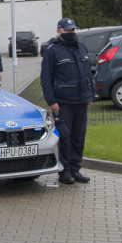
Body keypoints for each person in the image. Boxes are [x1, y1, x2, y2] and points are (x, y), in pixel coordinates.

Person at [40, 18, 93, 185]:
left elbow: (87, 74)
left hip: (81, 101)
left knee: (79, 137)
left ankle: (76, 169)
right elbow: (46, 78)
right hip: (63, 102)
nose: (70, 33)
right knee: (65, 137)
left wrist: (90, 95)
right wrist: (51, 101)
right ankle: (64, 171)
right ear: (59, 31)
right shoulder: (53, 51)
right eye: (67, 31)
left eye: (72, 30)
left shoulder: (81, 47)